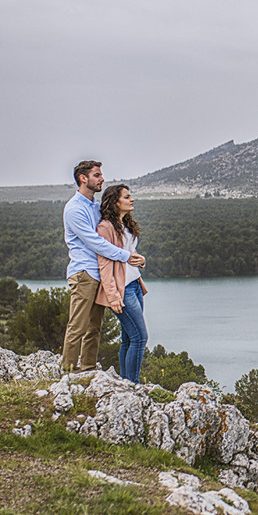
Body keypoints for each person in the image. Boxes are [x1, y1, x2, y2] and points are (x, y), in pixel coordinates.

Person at [61, 161, 145, 373]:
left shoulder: (94, 206)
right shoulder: (74, 209)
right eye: (97, 175)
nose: (102, 179)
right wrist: (125, 256)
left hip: (99, 273)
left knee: (94, 328)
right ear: (83, 178)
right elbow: (96, 243)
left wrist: (134, 258)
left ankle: (88, 368)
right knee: (78, 325)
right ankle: (68, 372)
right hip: (84, 273)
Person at [96, 184, 150, 383]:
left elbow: (130, 256)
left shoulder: (126, 223)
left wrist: (142, 261)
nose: (132, 199)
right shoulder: (105, 228)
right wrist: (112, 295)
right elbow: (104, 264)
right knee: (140, 337)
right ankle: (133, 385)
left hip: (135, 284)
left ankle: (126, 382)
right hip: (123, 290)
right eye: (127, 197)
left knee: (128, 337)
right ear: (115, 202)